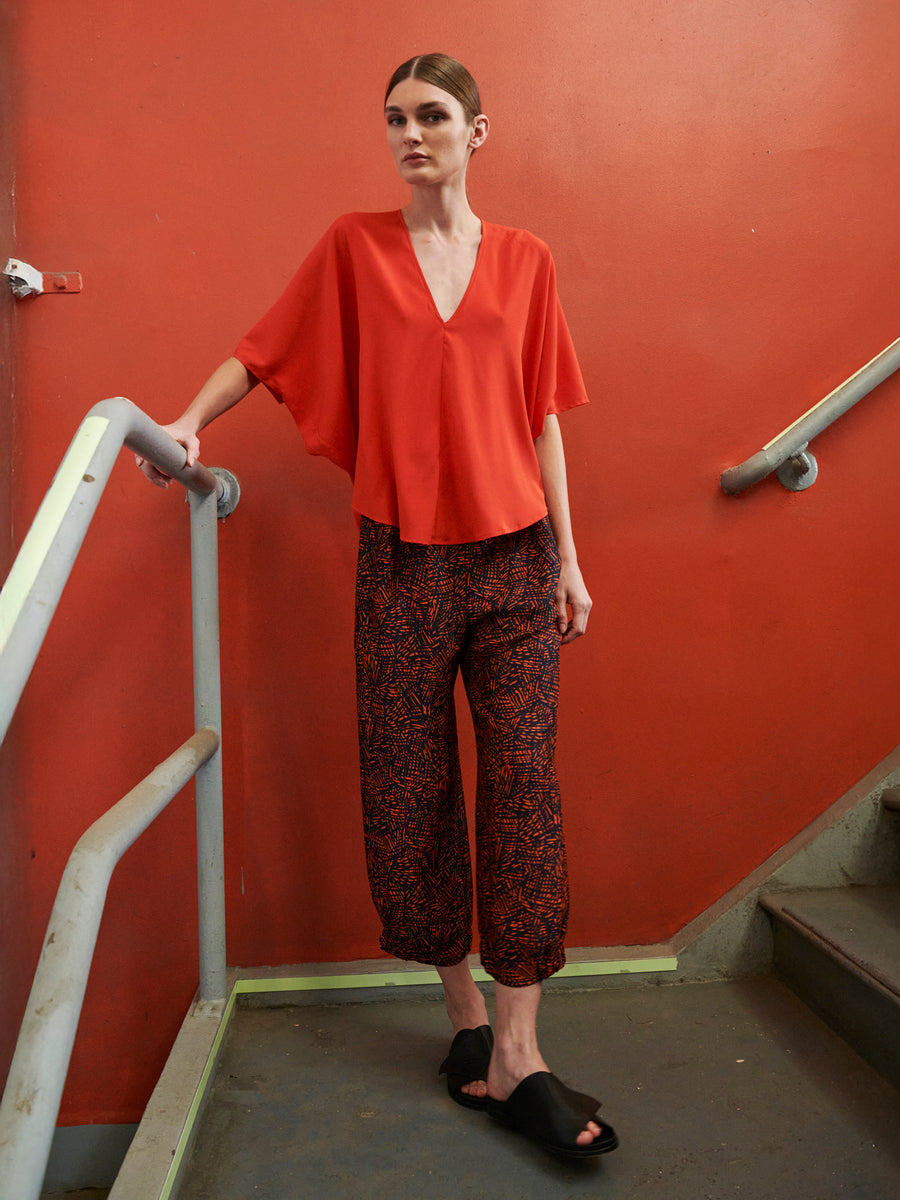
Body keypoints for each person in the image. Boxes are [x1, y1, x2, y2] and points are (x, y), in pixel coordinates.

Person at [137, 52, 617, 1159]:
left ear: (478, 132)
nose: (412, 133)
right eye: (396, 118)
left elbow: (544, 414)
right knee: (411, 786)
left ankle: (521, 1052)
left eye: (434, 115)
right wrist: (184, 426)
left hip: (512, 559)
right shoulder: (355, 248)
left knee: (524, 786)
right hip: (399, 559)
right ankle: (462, 1022)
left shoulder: (529, 261)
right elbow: (260, 353)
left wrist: (570, 560)